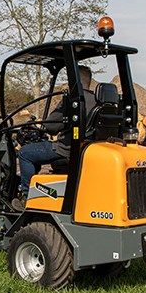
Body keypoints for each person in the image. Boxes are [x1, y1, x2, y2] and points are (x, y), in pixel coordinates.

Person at [16, 65, 96, 200]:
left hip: (66, 149)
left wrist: (42, 125)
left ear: (74, 80)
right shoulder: (98, 101)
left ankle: (26, 196)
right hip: (88, 149)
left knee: (25, 153)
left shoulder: (73, 100)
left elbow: (51, 126)